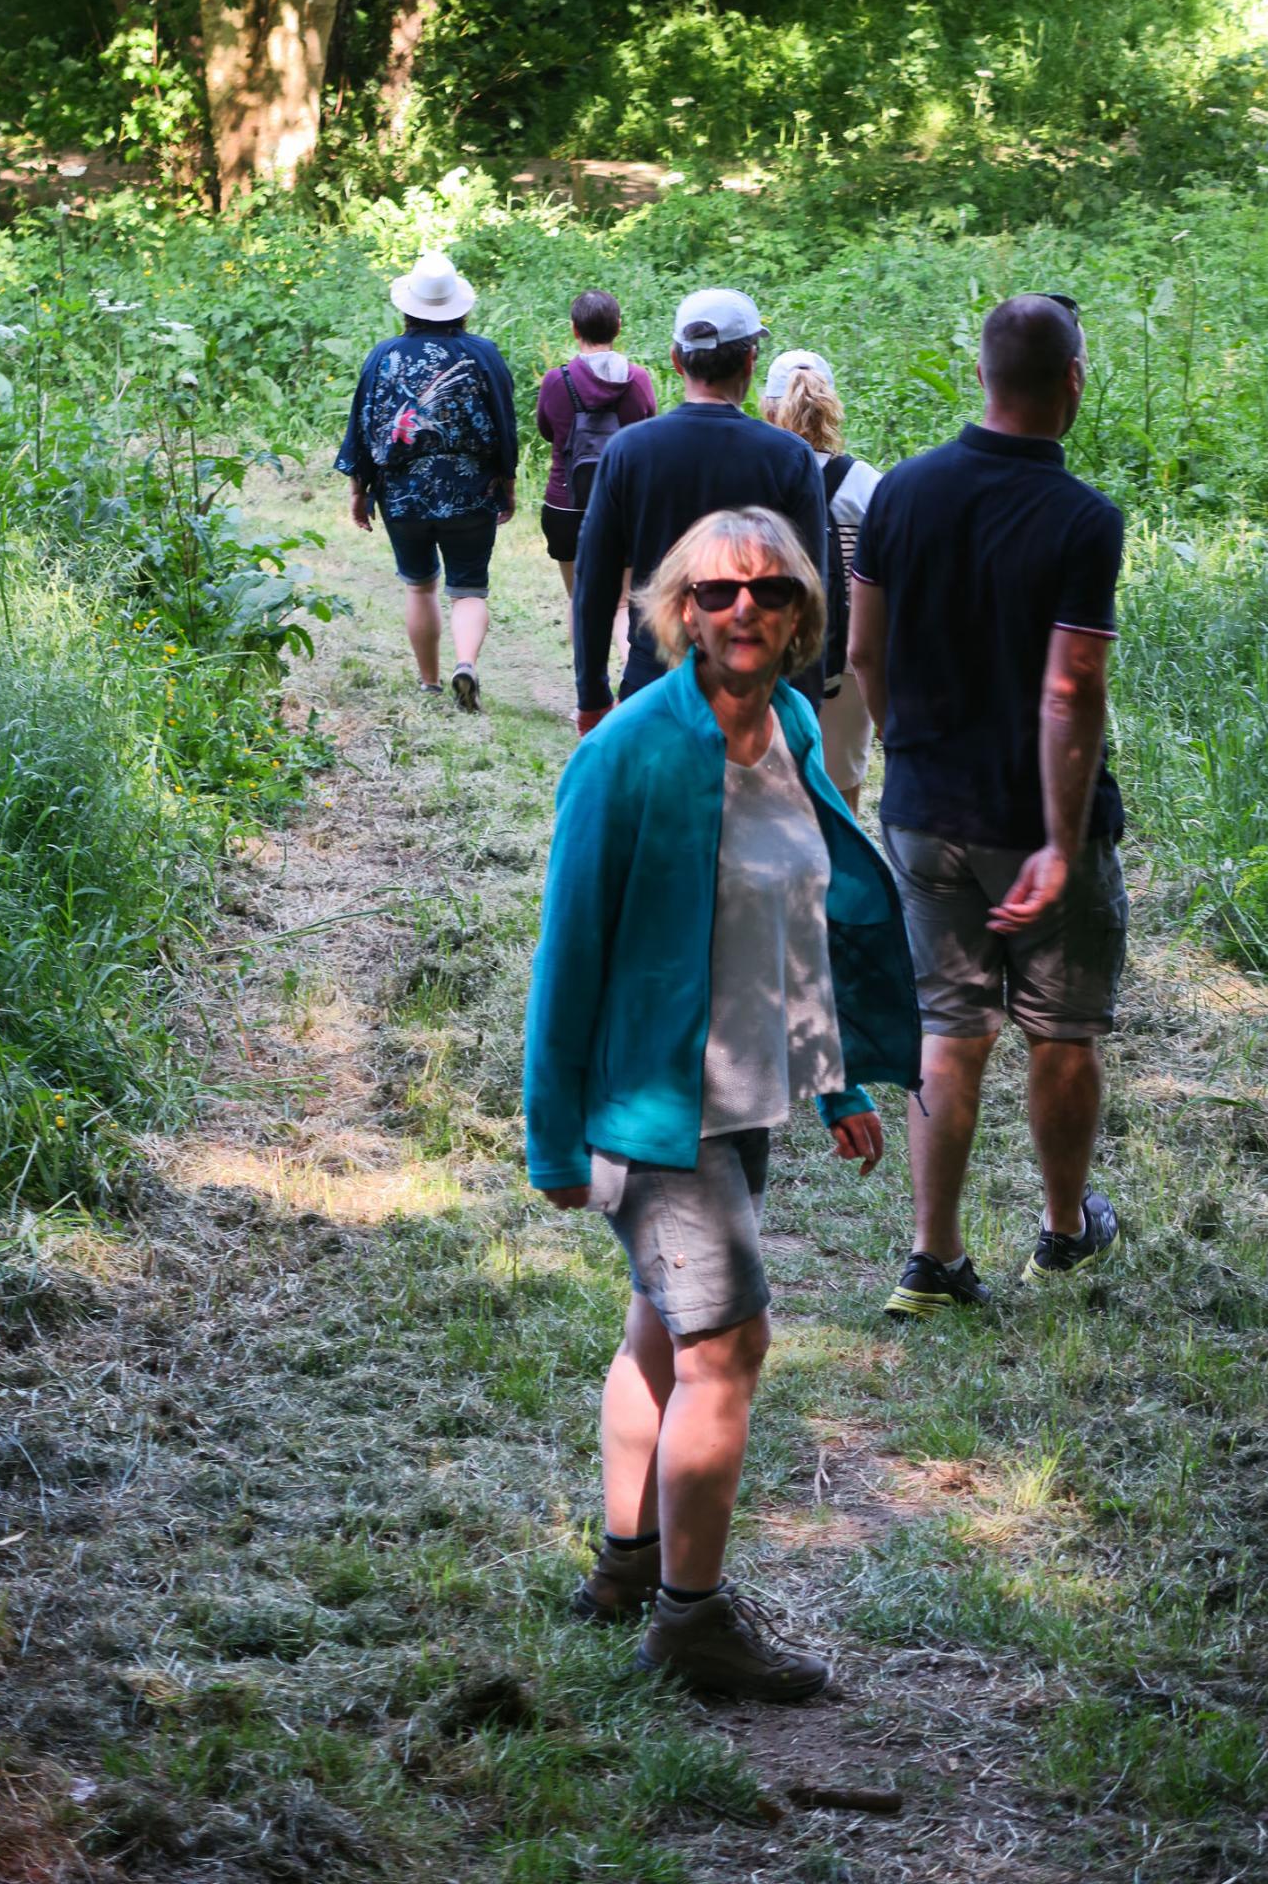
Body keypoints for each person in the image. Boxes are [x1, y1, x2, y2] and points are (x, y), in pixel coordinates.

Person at [525, 507, 921, 1699]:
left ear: (802, 611)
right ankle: (691, 1627)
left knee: (660, 1328)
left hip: (740, 1095)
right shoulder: (628, 755)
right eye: (713, 592)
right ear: (678, 611)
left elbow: (802, 923)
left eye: (766, 591)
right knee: (727, 1342)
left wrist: (835, 1074)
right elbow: (568, 954)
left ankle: (626, 1569)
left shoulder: (794, 724)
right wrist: (552, 1135)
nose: (740, 610)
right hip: (650, 1109)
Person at [848, 292, 1127, 1319]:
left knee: (948, 1025)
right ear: (1071, 380)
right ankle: (1061, 1233)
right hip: (1035, 823)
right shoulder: (1083, 519)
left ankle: (933, 1259)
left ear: (980, 374)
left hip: (923, 809)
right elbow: (1072, 689)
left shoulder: (901, 493)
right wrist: (1059, 840)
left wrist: (907, 753)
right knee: (1059, 1027)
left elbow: (863, 653)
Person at [571, 289, 829, 734]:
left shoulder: (629, 451)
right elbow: (811, 594)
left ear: (676, 360)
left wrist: (592, 694)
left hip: (654, 685)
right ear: (750, 361)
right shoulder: (790, 456)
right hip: (756, 696)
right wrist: (804, 708)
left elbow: (594, 581)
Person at [335, 252, 517, 713]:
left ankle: (430, 684)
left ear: (408, 307)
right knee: (469, 589)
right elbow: (504, 424)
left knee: (420, 586)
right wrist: (508, 483)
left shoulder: (383, 356)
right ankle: (466, 664)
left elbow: (363, 425)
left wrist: (359, 491)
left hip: (402, 495)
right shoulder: (483, 354)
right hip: (470, 492)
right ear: (460, 307)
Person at [761, 349, 881, 815]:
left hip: (772, 650)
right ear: (832, 405)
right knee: (841, 791)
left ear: (769, 408)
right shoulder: (868, 483)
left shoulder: (759, 474)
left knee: (774, 786)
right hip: (848, 658)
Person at [536, 290, 656, 662]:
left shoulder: (556, 381)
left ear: (574, 330)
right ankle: (629, 688)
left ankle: (586, 697)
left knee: (580, 599)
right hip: (623, 507)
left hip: (564, 504)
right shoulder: (638, 380)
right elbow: (648, 431)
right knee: (621, 605)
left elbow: (546, 431)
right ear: (618, 328)